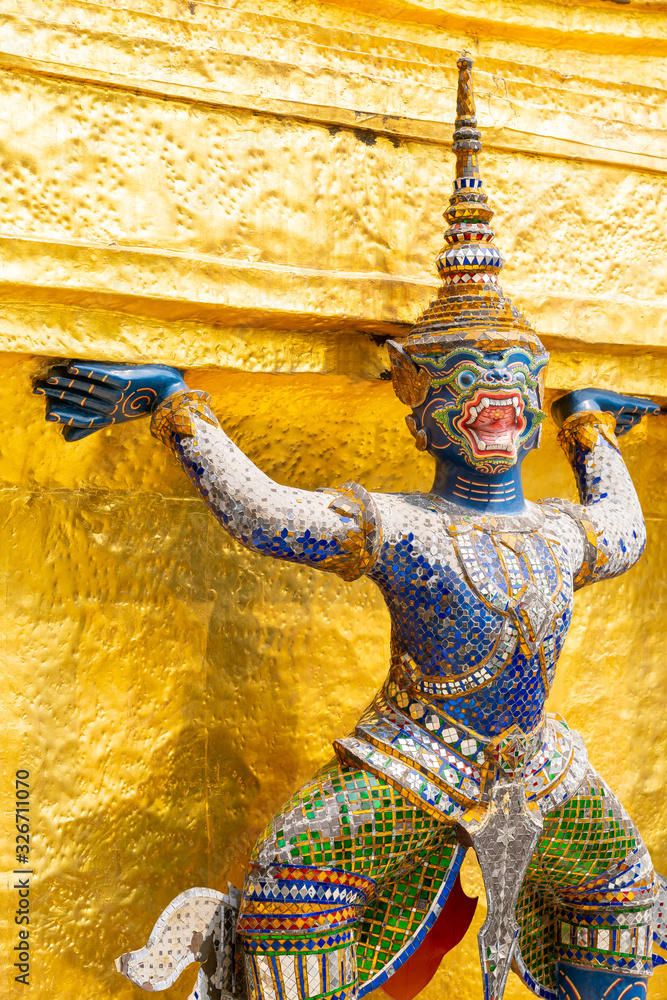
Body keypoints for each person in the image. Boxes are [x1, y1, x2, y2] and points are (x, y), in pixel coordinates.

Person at [34, 57, 665, 1000]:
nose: (494, 402)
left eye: (513, 388)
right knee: (288, 897)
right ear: (421, 420)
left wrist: (587, 429)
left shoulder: (559, 533)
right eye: (465, 384)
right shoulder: (397, 525)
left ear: (528, 407)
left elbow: (623, 529)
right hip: (410, 756)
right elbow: (267, 515)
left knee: (618, 898)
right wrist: (179, 410)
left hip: (538, 763)